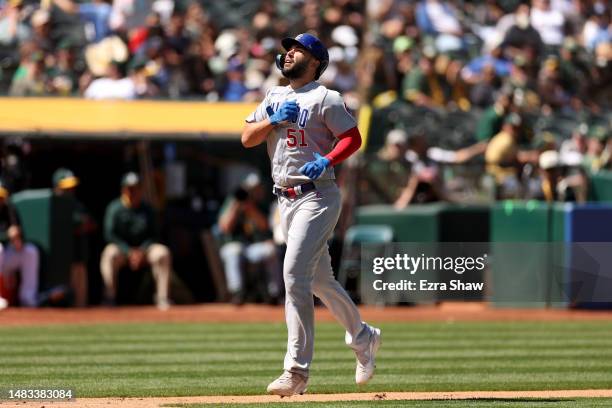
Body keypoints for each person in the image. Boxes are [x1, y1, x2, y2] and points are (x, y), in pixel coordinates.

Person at [241, 33, 381, 397]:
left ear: (315, 60)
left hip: (316, 195)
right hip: (284, 200)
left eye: (297, 49)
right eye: (288, 49)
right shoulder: (274, 96)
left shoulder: (325, 97)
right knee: (320, 282)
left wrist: (329, 159)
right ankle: (364, 337)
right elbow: (246, 138)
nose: (288, 53)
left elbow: (352, 137)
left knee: (293, 275)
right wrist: (271, 120)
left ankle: (296, 372)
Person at [100, 172, 171, 310]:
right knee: (109, 253)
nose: (132, 191)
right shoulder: (114, 208)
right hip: (123, 251)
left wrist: (142, 251)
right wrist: (128, 251)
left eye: (136, 188)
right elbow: (109, 235)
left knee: (163, 253)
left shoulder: (148, 209)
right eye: (129, 188)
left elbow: (155, 234)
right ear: (123, 189)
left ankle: (163, 298)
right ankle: (109, 297)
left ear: (141, 189)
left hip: (145, 250)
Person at [217, 172, 281, 304]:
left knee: (271, 250)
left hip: (253, 247)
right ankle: (237, 293)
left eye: (255, 189)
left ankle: (274, 293)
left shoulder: (260, 204)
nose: (252, 193)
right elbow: (224, 227)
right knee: (234, 251)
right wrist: (236, 207)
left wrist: (250, 208)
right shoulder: (232, 201)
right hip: (234, 245)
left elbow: (264, 226)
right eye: (250, 189)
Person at [53, 168, 96, 307]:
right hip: (58, 261)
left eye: (71, 188)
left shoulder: (77, 205)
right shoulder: (52, 204)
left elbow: (91, 223)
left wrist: (80, 225)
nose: (70, 191)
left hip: (77, 256)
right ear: (57, 188)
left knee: (80, 302)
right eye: (66, 188)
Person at [0, 180, 39, 307]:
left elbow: (19, 239)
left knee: (30, 251)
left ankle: (28, 298)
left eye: (1, 197)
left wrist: (17, 239)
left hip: (5, 257)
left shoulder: (9, 209)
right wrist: (6, 235)